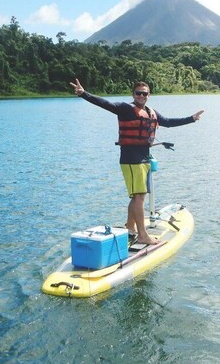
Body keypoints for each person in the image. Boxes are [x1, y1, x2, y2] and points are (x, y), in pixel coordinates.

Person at [70, 78, 204, 245]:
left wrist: (191, 118)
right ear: (133, 94)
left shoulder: (150, 111)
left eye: (144, 93)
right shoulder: (125, 109)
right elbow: (104, 103)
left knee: (137, 196)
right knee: (139, 197)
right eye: (138, 93)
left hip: (144, 158)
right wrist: (84, 94)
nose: (141, 96)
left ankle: (130, 226)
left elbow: (168, 122)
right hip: (131, 159)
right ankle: (142, 235)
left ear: (149, 95)